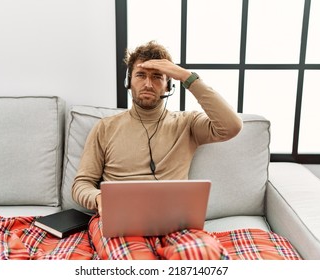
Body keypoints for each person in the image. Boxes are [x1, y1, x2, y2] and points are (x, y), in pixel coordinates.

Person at [72, 41, 243, 260]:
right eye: (141, 75)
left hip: (176, 222)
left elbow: (232, 126)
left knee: (202, 254)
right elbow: (81, 184)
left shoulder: (187, 123)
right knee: (134, 263)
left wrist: (186, 77)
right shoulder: (105, 127)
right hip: (120, 221)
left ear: (168, 85)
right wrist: (98, 198)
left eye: (157, 76)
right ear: (128, 81)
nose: (148, 84)